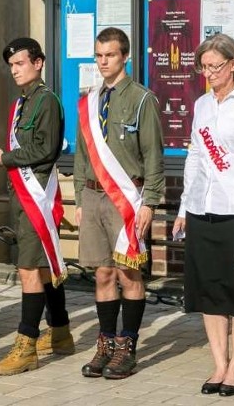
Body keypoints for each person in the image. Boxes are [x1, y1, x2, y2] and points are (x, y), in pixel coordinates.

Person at [172, 34, 234, 398]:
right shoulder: (201, 105)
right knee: (210, 291)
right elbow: (196, 156)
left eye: (215, 66)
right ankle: (218, 362)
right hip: (203, 208)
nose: (209, 73)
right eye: (204, 67)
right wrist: (184, 206)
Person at [74, 27, 165, 380]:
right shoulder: (90, 100)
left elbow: (154, 156)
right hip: (94, 196)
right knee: (102, 273)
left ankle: (127, 346)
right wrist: (81, 194)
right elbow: (83, 153)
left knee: (129, 274)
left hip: (128, 198)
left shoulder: (142, 99)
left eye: (109, 55)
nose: (103, 62)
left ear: (125, 56)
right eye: (98, 55)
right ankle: (105, 342)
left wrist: (150, 203)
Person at [0, 37, 74, 375]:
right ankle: (62, 331)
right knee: (42, 264)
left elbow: (45, 149)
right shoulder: (22, 103)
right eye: (11, 66)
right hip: (23, 193)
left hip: (37, 194)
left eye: (20, 63)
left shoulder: (46, 101)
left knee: (28, 269)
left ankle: (26, 345)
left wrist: (4, 158)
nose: (14, 70)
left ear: (38, 63)